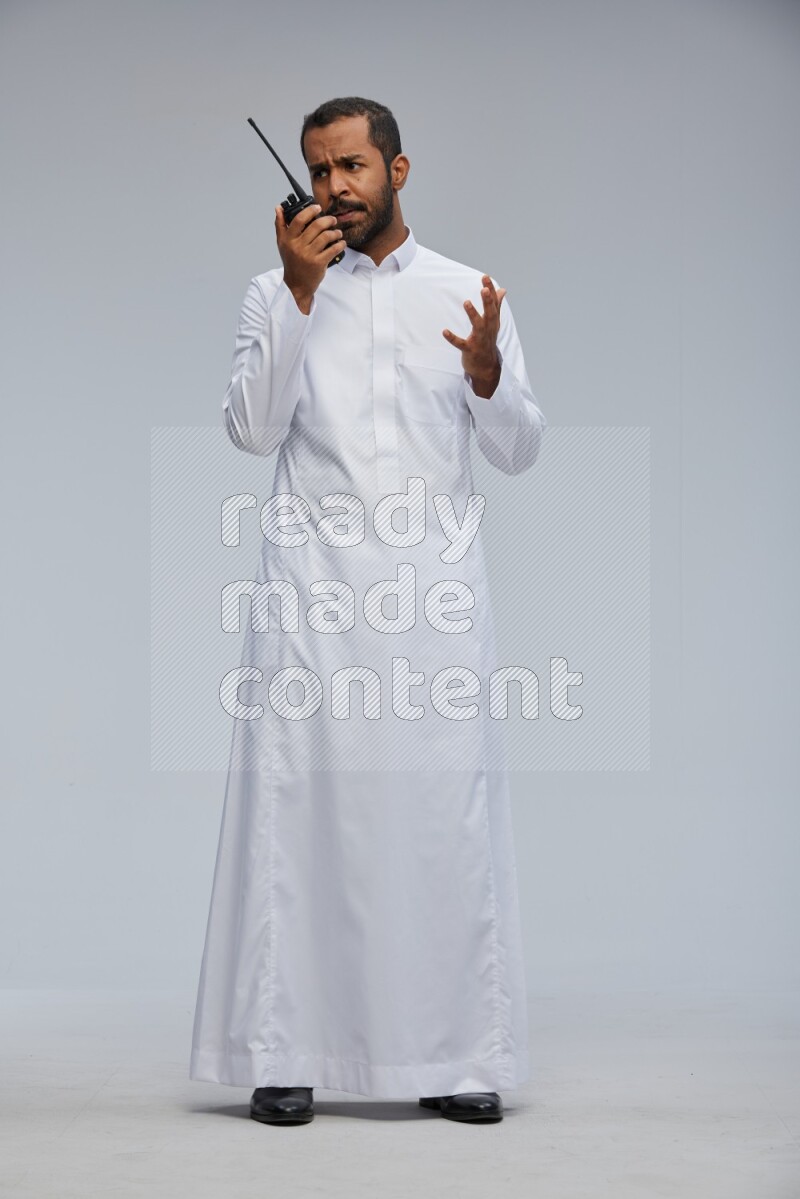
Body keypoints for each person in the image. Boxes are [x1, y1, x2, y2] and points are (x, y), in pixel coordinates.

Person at [190, 96, 547, 1126]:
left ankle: (454, 1054)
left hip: (431, 598)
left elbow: (518, 448)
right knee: (299, 819)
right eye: (317, 169)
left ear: (397, 168)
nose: (333, 187)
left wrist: (486, 379)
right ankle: (283, 1049)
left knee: (443, 821)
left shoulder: (467, 291)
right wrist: (302, 298)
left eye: (351, 165)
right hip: (311, 593)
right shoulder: (273, 289)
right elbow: (252, 434)